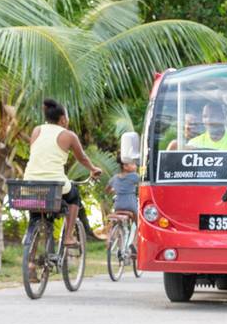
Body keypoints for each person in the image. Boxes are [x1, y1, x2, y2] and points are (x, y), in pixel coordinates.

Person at [24, 99, 101, 246]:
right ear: (63, 119)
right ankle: (68, 237)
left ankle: (31, 261)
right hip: (55, 185)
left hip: (30, 182)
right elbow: (82, 158)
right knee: (74, 197)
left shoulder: (36, 130)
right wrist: (93, 169)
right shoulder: (68, 135)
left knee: (36, 213)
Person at [107, 159, 140, 250]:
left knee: (118, 222)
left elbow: (107, 190)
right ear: (125, 166)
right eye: (133, 164)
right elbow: (143, 184)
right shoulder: (134, 176)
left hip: (118, 205)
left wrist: (115, 190)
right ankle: (134, 243)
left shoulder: (115, 178)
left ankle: (119, 243)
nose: (135, 166)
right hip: (130, 204)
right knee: (139, 224)